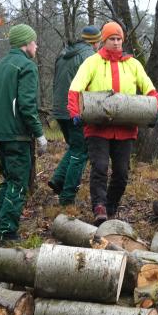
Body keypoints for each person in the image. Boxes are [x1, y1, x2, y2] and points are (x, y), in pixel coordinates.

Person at [66, 21, 158, 225]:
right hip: (97, 128)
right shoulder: (92, 62)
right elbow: (75, 88)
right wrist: (75, 112)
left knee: (122, 173)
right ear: (104, 40)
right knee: (99, 167)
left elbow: (150, 90)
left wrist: (154, 110)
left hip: (125, 130)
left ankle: (111, 207)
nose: (116, 43)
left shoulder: (133, 64)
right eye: (111, 39)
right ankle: (99, 206)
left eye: (119, 39)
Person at [0, 23, 48, 242]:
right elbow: (27, 105)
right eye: (34, 41)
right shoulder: (26, 67)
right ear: (25, 43)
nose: (36, 46)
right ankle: (7, 233)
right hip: (18, 137)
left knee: (8, 180)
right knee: (18, 184)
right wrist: (39, 134)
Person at [47, 25, 101, 205]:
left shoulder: (63, 53)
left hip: (60, 110)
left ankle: (58, 180)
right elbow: (94, 86)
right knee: (81, 151)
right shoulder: (91, 57)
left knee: (75, 147)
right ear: (96, 42)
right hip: (75, 110)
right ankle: (67, 197)